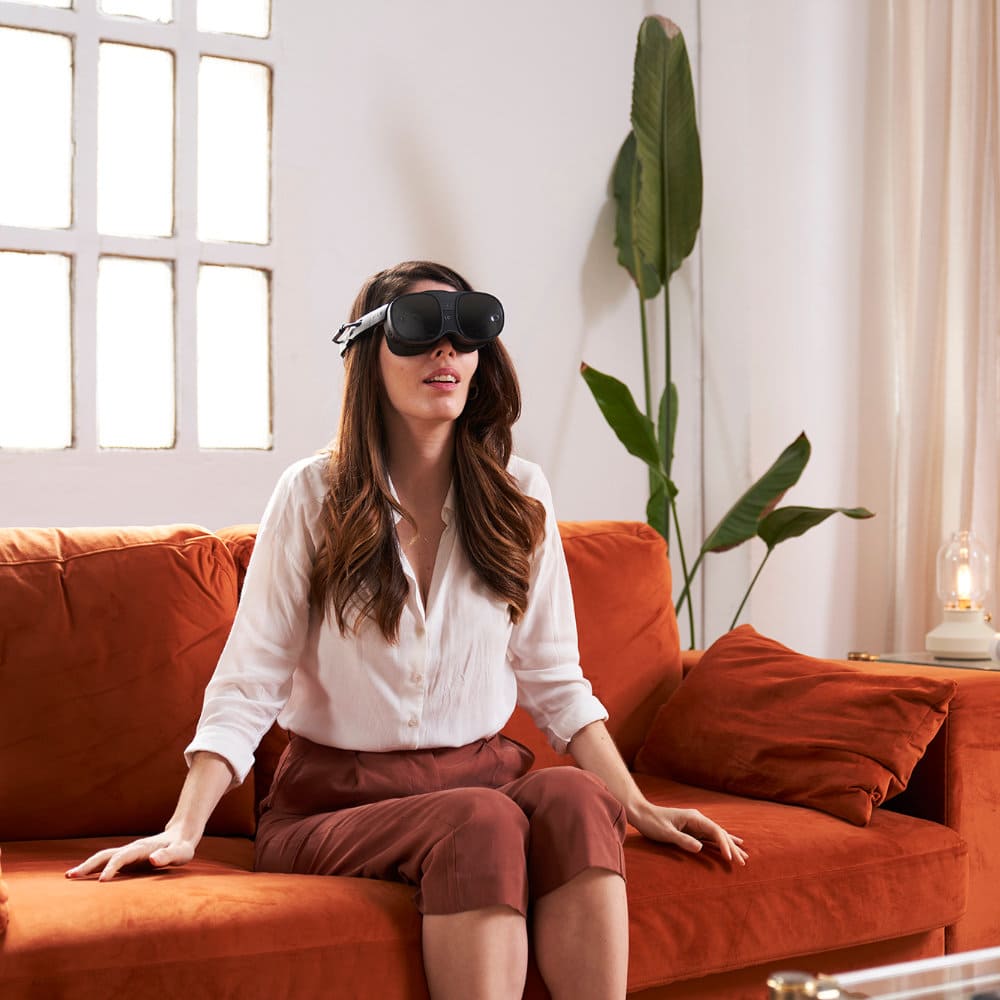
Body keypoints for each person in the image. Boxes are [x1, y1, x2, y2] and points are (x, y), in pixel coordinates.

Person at [67, 260, 748, 1000]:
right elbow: (250, 677)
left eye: (467, 330)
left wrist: (638, 806)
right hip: (334, 805)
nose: (446, 352)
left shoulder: (522, 496)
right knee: (481, 820)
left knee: (580, 801)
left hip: (481, 782)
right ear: (368, 352)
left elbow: (556, 679)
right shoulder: (312, 495)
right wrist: (183, 828)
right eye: (421, 331)